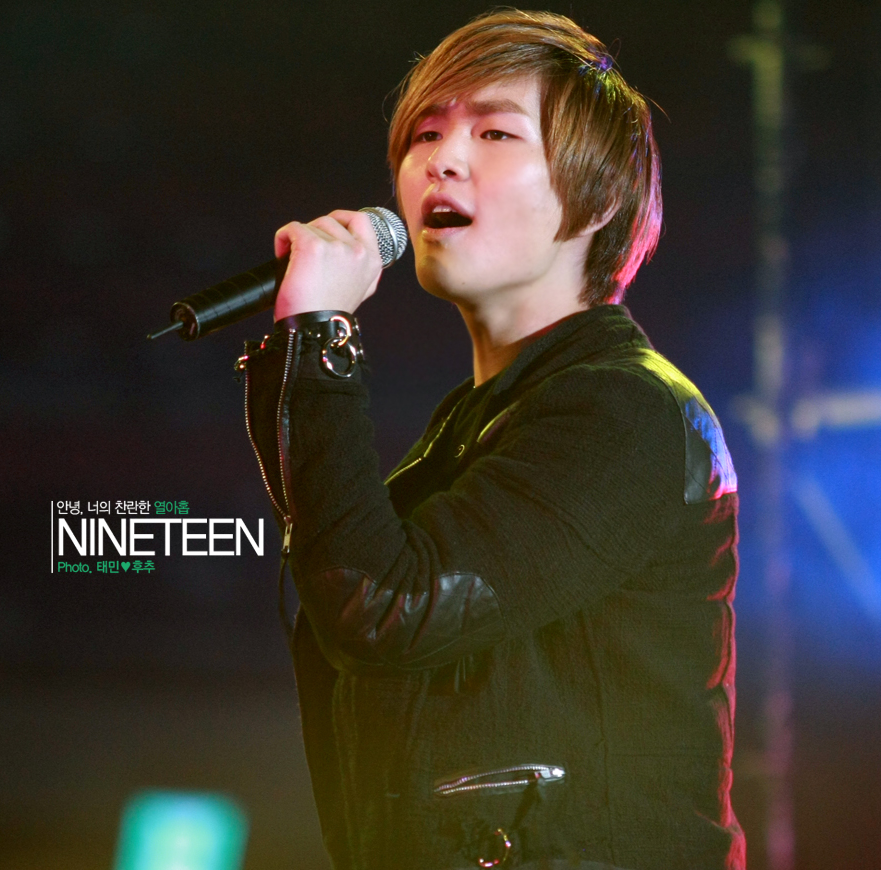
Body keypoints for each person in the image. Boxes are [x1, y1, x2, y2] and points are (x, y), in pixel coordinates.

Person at [236, 9, 745, 869]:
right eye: (426, 134)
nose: (443, 159)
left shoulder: (627, 411)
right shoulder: (476, 427)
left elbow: (385, 606)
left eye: (496, 132)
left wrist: (318, 336)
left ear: (600, 197)